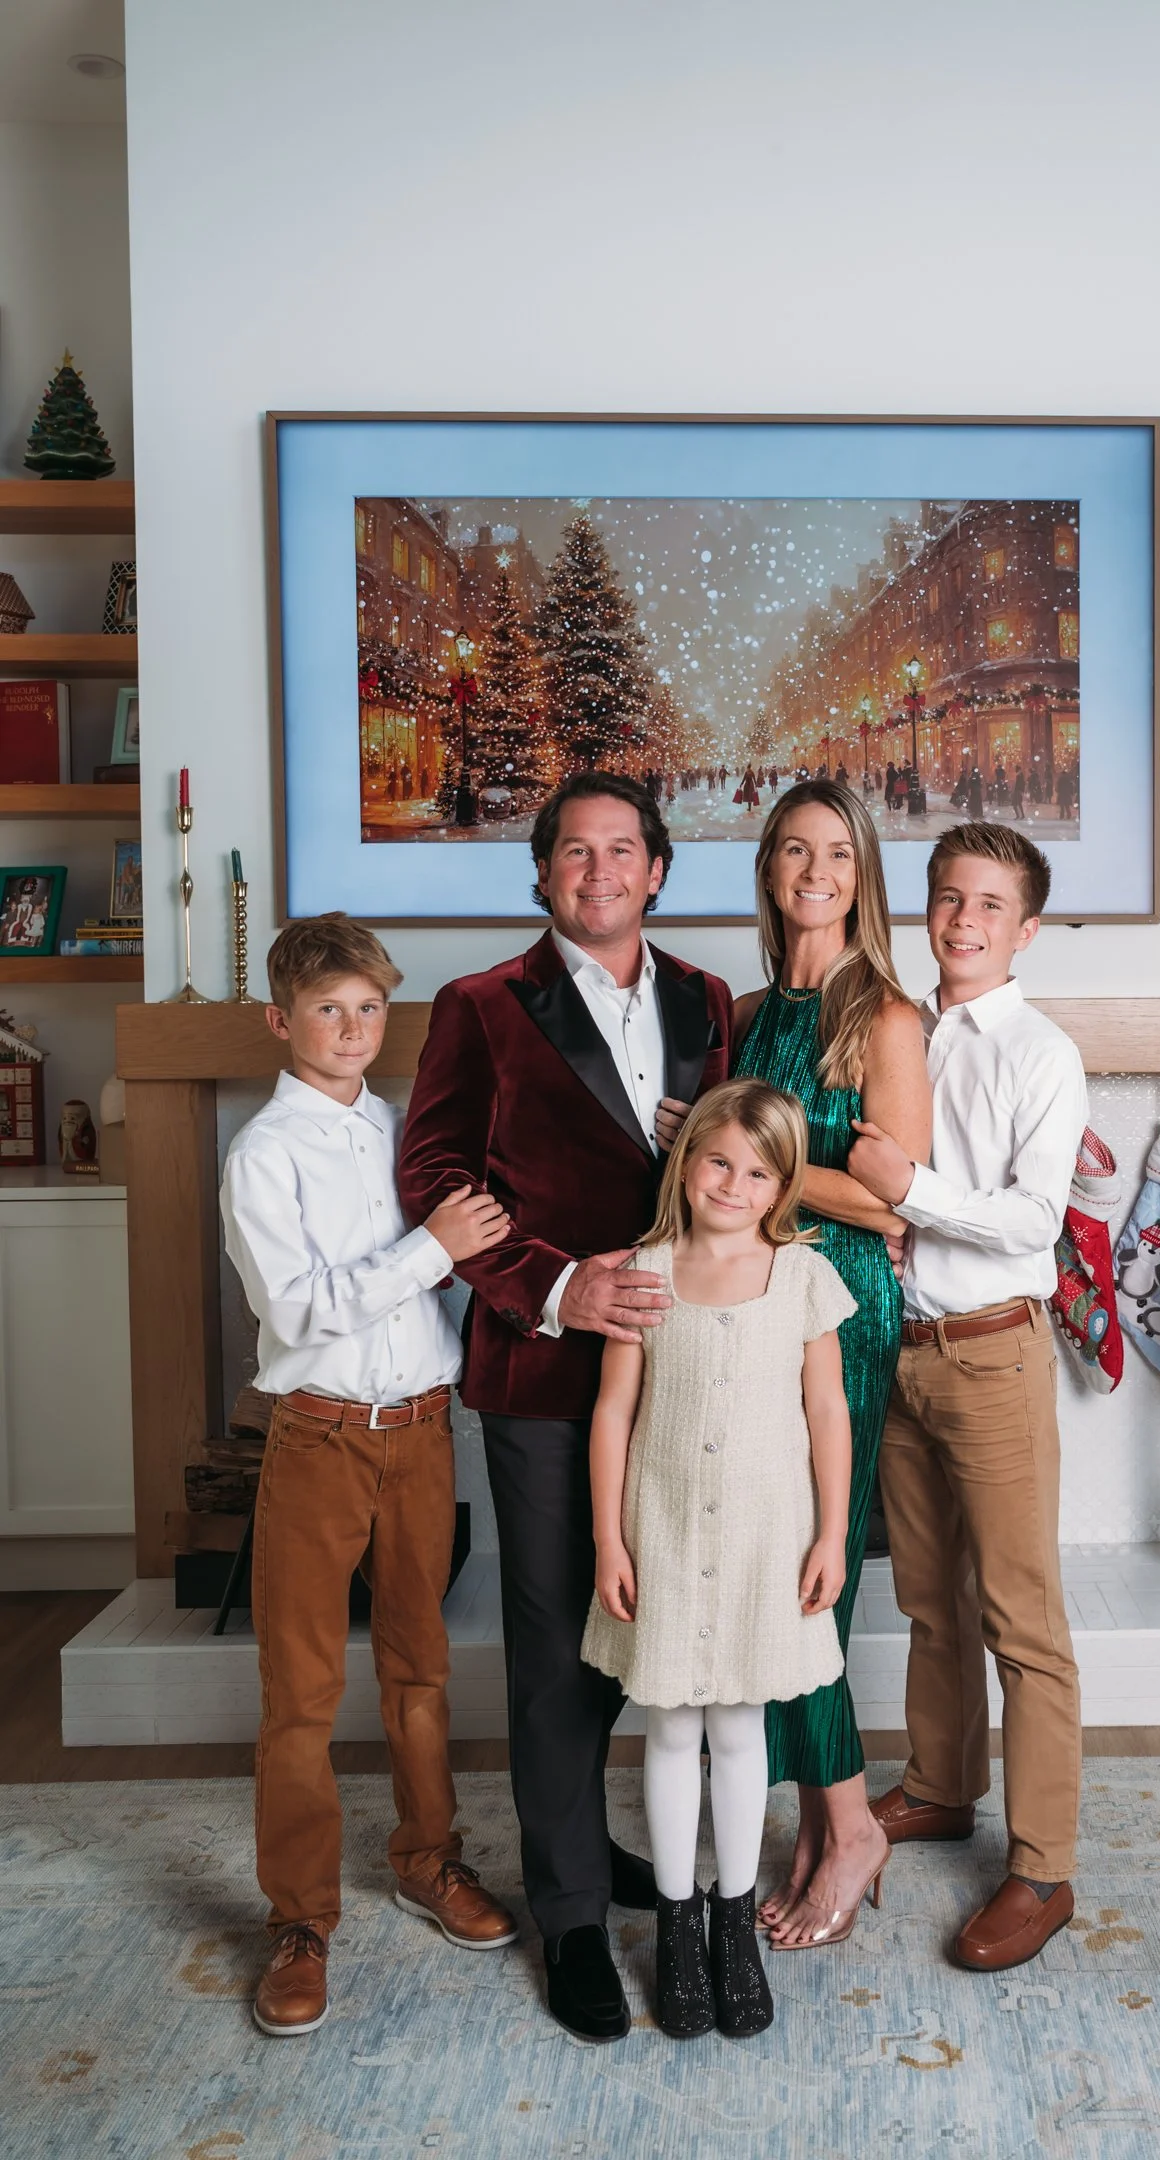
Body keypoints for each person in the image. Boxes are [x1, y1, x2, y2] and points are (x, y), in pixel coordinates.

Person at [399, 772, 733, 2042]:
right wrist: (551, 1289)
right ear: (541, 876)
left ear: (657, 871)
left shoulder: (709, 1001)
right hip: (544, 1377)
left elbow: (735, 1158)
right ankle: (576, 1917)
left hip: (689, 1371)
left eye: (623, 849)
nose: (599, 870)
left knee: (653, 1627)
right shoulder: (480, 1007)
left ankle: (596, 1849)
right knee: (553, 1651)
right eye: (574, 852)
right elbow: (430, 1174)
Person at [220, 914, 517, 2039]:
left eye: (369, 1010)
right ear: (281, 1021)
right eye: (328, 1010)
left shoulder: (400, 1132)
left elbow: (427, 1283)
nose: (350, 1030)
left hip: (425, 1429)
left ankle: (427, 1859)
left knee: (420, 1666)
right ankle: (298, 1919)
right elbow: (297, 1311)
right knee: (299, 1692)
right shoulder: (263, 1155)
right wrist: (434, 1247)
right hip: (321, 1438)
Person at [848, 821, 1088, 1973]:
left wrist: (911, 1189)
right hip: (903, 1351)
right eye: (948, 897)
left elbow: (1034, 1220)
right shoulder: (898, 1029)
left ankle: (1043, 1868)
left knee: (1021, 1620)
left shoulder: (1040, 1051)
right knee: (932, 1600)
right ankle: (942, 1786)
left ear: (1024, 928)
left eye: (988, 904)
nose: (962, 920)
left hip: (993, 1355)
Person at [581, 1080, 859, 2037]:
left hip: (761, 1539)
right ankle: (675, 1919)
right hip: (661, 1531)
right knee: (667, 1729)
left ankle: (733, 1921)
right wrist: (607, 1538)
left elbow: (828, 1411)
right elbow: (613, 1409)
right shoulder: (643, 1269)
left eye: (758, 1171)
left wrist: (830, 1532)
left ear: (781, 1185)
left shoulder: (803, 1276)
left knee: (738, 1728)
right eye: (718, 1162)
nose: (734, 1185)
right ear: (686, 1158)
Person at [731, 780, 931, 1949]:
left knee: (813, 1586)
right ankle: (817, 1825)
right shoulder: (753, 1010)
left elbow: (891, 1207)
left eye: (839, 853)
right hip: (758, 1314)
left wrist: (749, 1153)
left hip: (844, 1315)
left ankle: (852, 1826)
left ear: (863, 876)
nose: (816, 870)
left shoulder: (885, 1017)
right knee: (774, 1575)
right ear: (769, 868)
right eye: (796, 850)